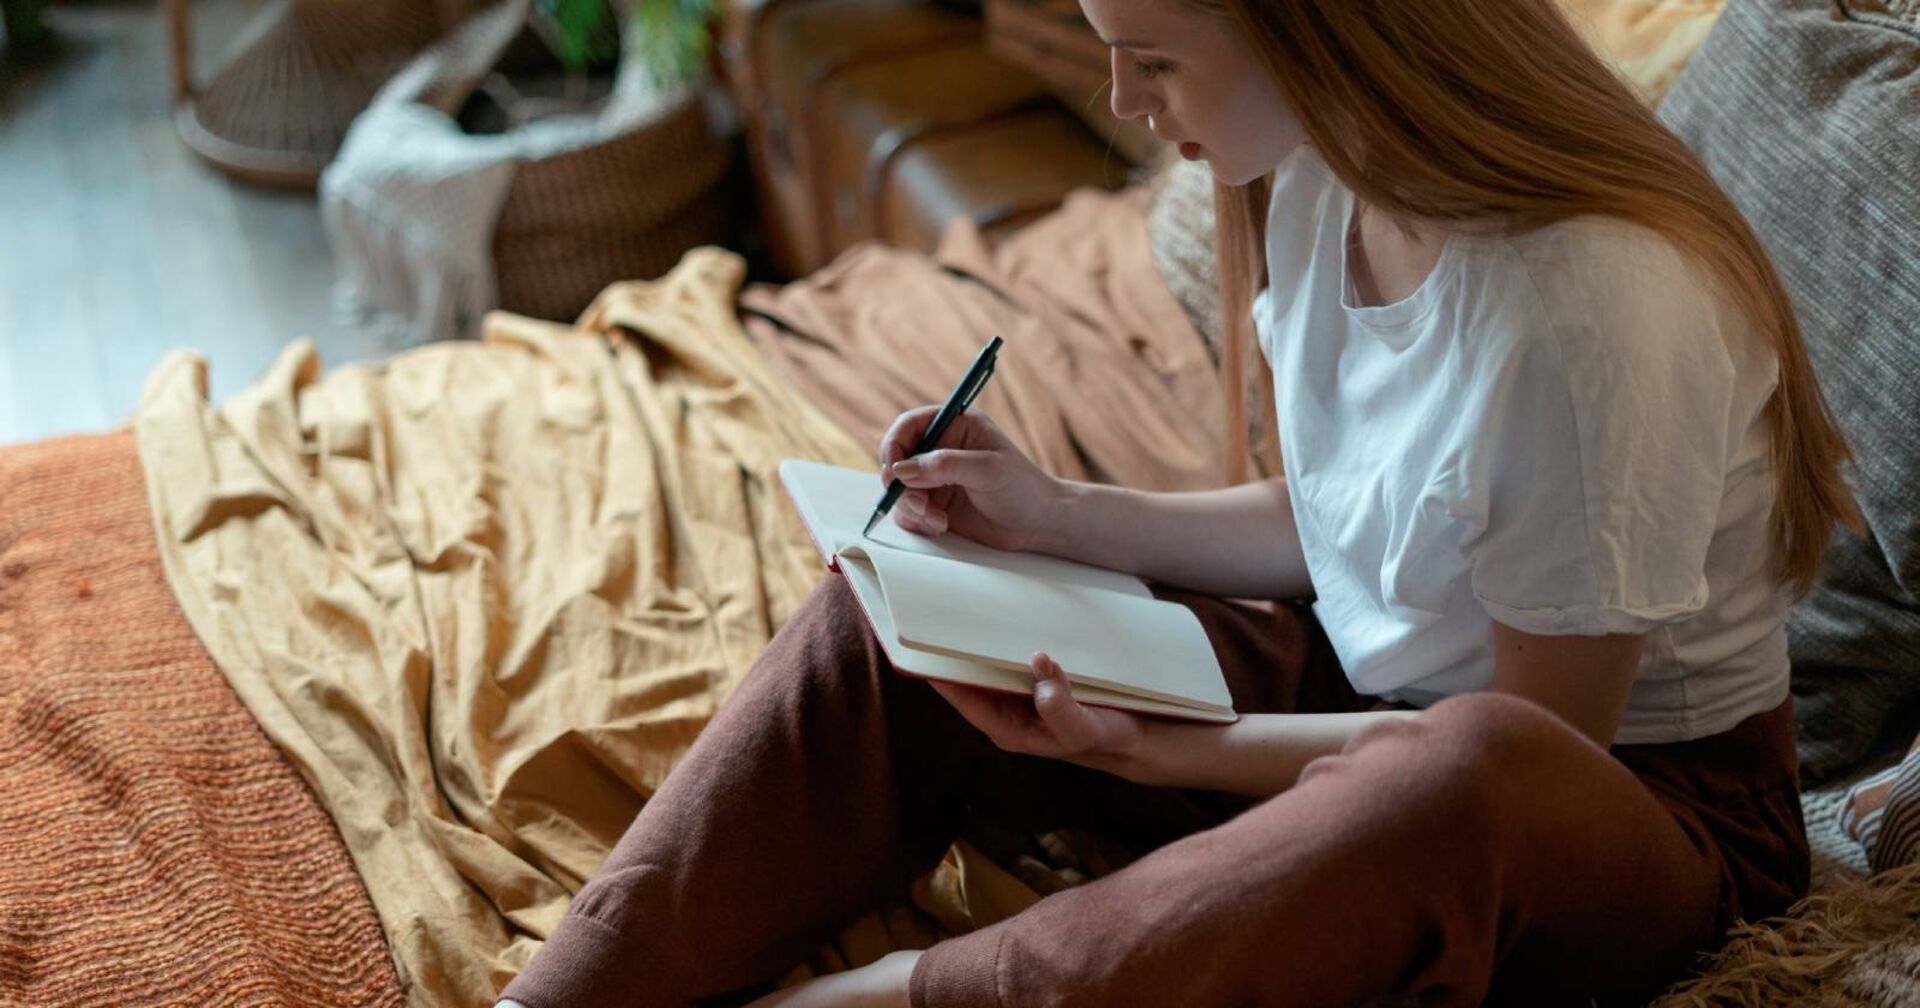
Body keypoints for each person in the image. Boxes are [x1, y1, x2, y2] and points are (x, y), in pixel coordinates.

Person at [498, 0, 1864, 1005]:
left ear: (1325, 33)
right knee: (901, 617)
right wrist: (1050, 517)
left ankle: (896, 999)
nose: (1126, 100)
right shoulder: (1324, 172)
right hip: (1368, 695)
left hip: (1632, 812)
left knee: (1452, 777)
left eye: (1153, 59)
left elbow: (1533, 755)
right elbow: (1353, 517)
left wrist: (1179, 750)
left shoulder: (1586, 310)